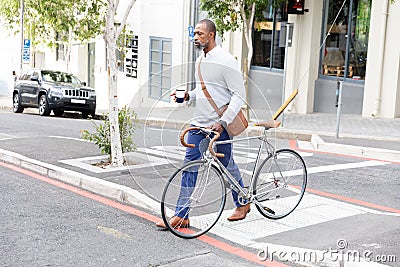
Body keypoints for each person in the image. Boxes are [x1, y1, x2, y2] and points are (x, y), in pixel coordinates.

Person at [156, 19, 250, 229]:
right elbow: (205, 90)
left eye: (199, 34)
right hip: (199, 124)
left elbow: (239, 95)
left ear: (211, 35)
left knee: (227, 166)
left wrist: (223, 122)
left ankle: (243, 202)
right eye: (195, 34)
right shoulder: (200, 60)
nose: (195, 37)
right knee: (190, 166)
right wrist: (188, 95)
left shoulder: (226, 61)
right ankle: (182, 215)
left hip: (220, 126)